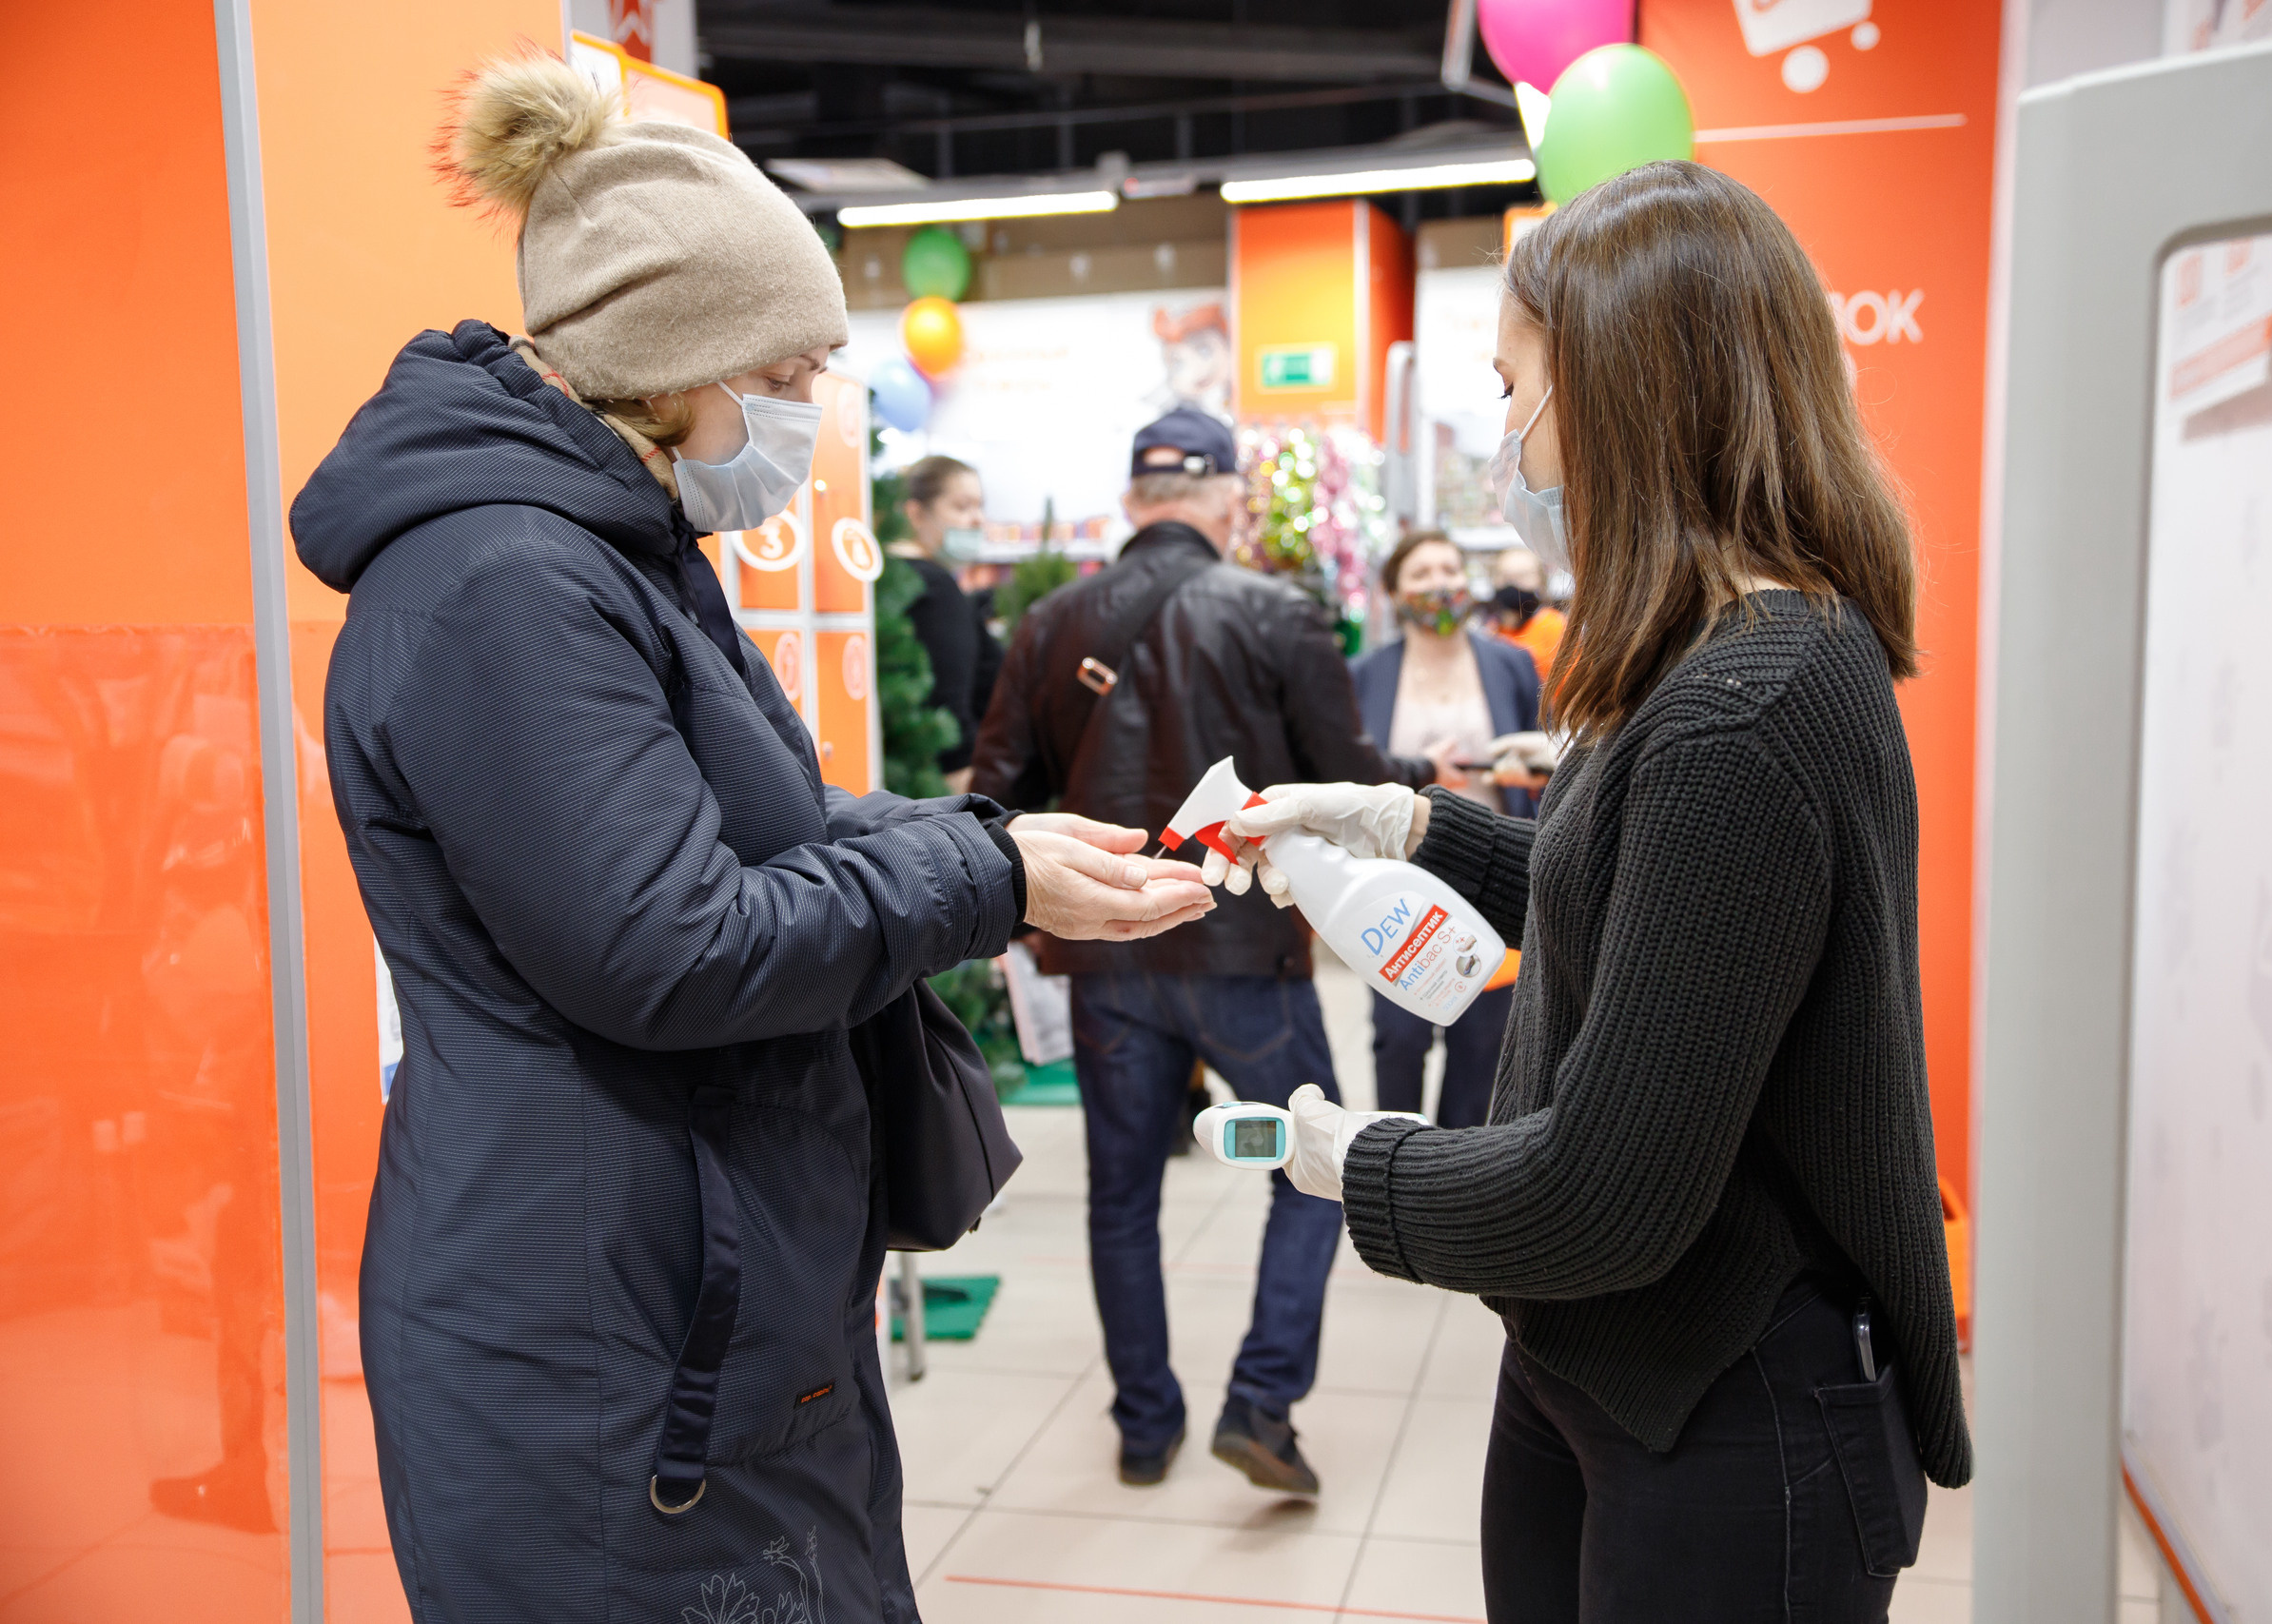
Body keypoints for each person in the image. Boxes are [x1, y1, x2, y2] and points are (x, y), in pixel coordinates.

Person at [291, 56, 1211, 1624]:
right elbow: (668, 944)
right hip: (606, 1354)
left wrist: (998, 840)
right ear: (670, 357)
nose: (806, 408)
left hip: (697, 1317)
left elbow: (751, 821)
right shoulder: (506, 582)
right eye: (786, 368)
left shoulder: (610, 550)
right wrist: (983, 876)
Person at [1207, 163, 1968, 1621]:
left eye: (1515, 391)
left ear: (1625, 393)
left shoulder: (1749, 707)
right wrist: (1396, 822)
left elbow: (1608, 1192)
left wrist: (1352, 1161)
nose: (1508, 442)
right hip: (1592, 1358)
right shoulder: (1706, 656)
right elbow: (1625, 894)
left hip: (1726, 1388)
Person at [969, 406, 1435, 1496]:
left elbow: (991, 803)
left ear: (1136, 500)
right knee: (1310, 1163)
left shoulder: (1046, 626)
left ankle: (1143, 1423)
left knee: (1121, 1194)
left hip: (1104, 957)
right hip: (1245, 954)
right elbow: (1354, 786)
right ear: (1227, 498)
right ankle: (1263, 1404)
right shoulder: (1276, 612)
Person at [1347, 530, 1540, 1129]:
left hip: (1494, 876)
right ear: (1395, 592)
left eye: (1450, 570)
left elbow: (1549, 750)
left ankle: (1455, 1196)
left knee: (1483, 1051)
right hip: (1398, 895)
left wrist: (1535, 770)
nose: (1441, 585)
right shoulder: (1366, 675)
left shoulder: (1508, 663)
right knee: (1398, 1040)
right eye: (1422, 573)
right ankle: (1395, 1171)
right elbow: (1353, 772)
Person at [890, 454, 1004, 792]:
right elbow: (949, 707)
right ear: (916, 513)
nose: (977, 520)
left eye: (980, 507)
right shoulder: (937, 588)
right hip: (940, 786)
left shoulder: (891, 578)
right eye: (962, 507)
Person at [1486, 544, 1566, 680]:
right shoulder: (1489, 632)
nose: (1512, 585)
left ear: (1541, 582)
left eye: (1521, 576)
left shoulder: (1556, 627)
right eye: (1505, 577)